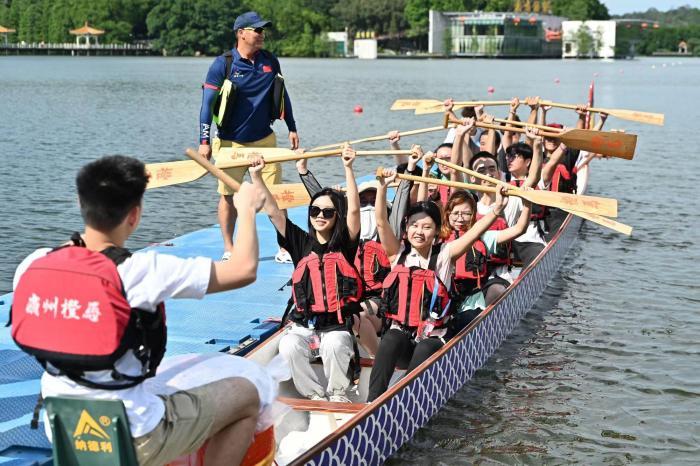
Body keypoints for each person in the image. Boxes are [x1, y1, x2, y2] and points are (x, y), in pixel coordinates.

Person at [11, 156, 278, 466]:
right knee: (246, 395)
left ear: (80, 203)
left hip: (60, 427)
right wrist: (245, 209)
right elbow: (243, 269)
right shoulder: (140, 271)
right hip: (135, 435)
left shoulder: (34, 264)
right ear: (135, 215)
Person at [366, 154, 510, 402]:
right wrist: (382, 187)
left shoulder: (445, 255)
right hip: (403, 341)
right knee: (390, 337)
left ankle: (406, 401)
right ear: (407, 227)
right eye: (414, 225)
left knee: (425, 346)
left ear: (436, 232)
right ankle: (373, 401)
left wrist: (496, 209)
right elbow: (381, 222)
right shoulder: (397, 254)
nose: (418, 231)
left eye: (426, 227)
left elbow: (475, 232)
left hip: (432, 340)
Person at [258, 146, 361, 403]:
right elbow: (273, 212)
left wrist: (348, 168)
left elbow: (355, 212)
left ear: (337, 216)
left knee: (334, 344)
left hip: (336, 325)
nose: (320, 216)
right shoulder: (299, 242)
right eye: (315, 211)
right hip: (305, 324)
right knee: (288, 345)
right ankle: (314, 396)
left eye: (328, 212)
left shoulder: (345, 244)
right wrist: (257, 176)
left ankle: (339, 394)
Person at [198, 11, 299, 262]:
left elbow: (282, 95)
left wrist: (292, 127)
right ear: (241, 33)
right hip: (230, 143)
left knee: (275, 195)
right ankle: (229, 247)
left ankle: (285, 247)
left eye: (263, 30)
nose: (262, 34)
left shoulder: (270, 61)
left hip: (265, 140)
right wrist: (204, 141)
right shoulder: (223, 64)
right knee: (228, 197)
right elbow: (207, 104)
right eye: (257, 30)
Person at [441, 188, 531, 334]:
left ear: (473, 216)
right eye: (456, 213)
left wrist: (527, 202)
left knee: (470, 317)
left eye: (466, 214)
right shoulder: (437, 238)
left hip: (472, 301)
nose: (460, 218)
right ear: (447, 214)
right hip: (444, 300)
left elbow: (519, 229)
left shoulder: (483, 237)